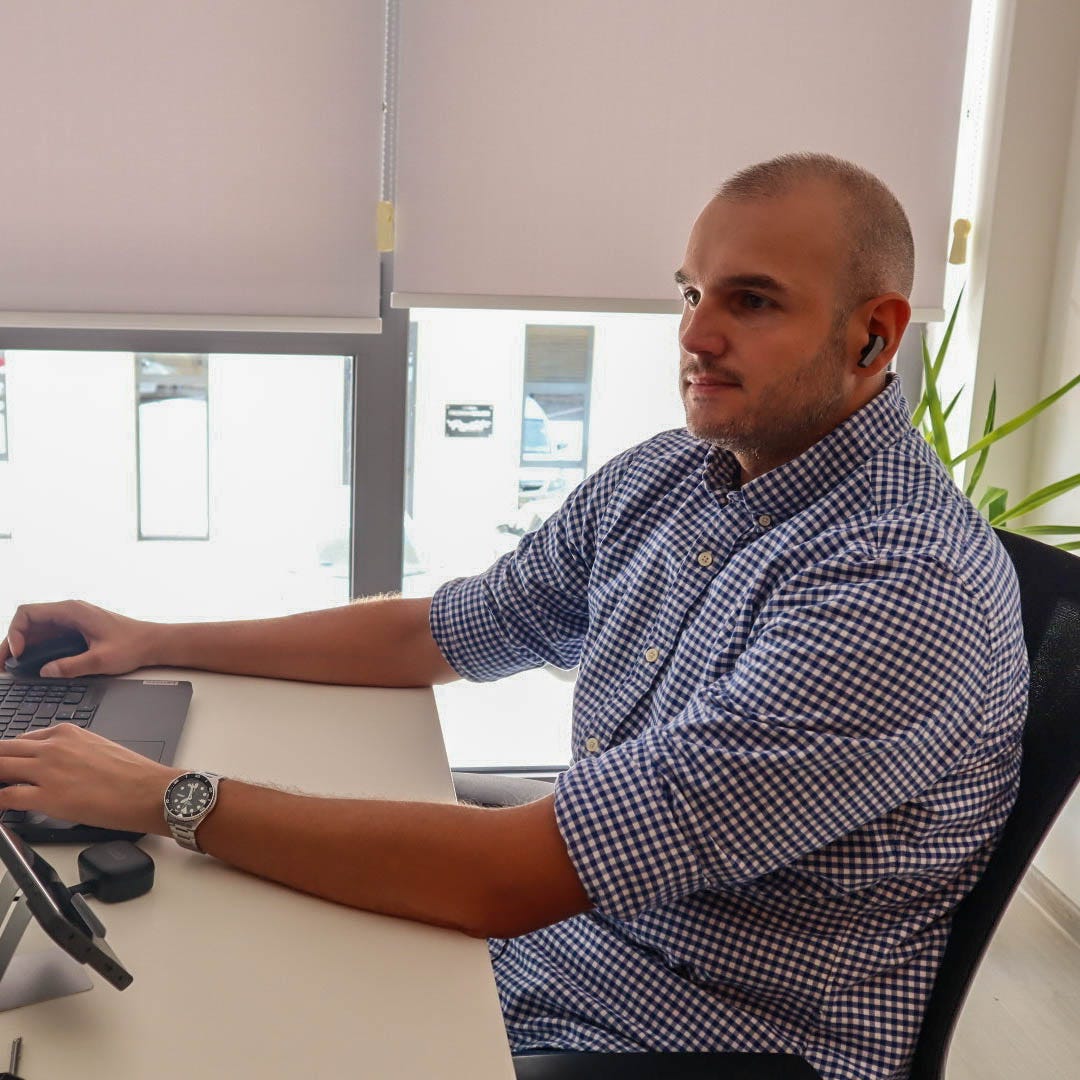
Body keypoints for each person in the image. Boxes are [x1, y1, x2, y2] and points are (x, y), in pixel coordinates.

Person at [0, 153, 1027, 1080]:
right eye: (691, 292)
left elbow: (511, 881)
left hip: (696, 1037)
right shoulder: (675, 478)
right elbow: (439, 632)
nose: (695, 335)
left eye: (752, 302)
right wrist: (154, 638)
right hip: (557, 950)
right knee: (194, 978)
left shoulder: (899, 589)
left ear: (874, 333)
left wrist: (171, 800)